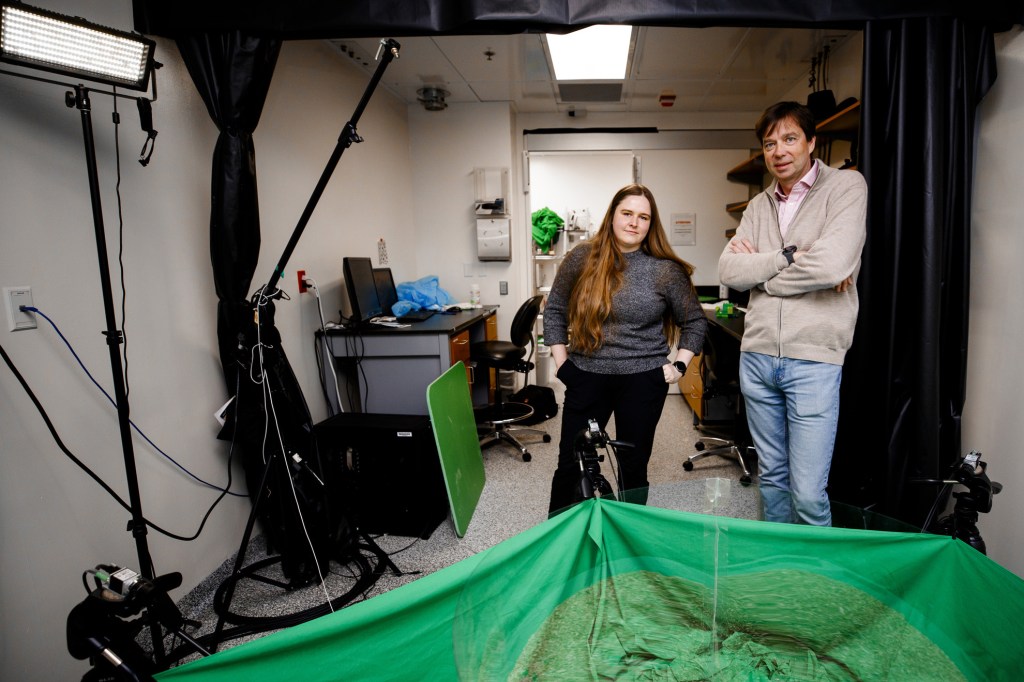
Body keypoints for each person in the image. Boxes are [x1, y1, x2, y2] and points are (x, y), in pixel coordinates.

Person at [718, 101, 867, 526]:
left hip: (814, 358)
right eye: (769, 143)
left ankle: (816, 586)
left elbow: (833, 264)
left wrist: (763, 273)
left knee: (807, 492)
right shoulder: (758, 205)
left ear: (811, 142)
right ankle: (779, 577)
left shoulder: (846, 187)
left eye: (789, 139)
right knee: (774, 481)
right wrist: (789, 256)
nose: (778, 151)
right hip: (759, 357)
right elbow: (728, 271)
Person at [545, 184, 706, 513]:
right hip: (586, 375)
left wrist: (678, 365)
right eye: (627, 213)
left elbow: (695, 321)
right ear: (613, 216)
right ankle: (561, 543)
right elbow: (555, 309)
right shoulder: (582, 258)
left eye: (643, 217)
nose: (634, 222)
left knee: (633, 467)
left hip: (643, 380)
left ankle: (629, 540)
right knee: (571, 465)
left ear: (650, 223)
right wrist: (562, 364)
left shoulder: (664, 269)